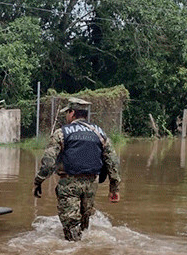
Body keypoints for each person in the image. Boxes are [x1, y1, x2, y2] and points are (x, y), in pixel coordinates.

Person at [33, 97, 121, 241]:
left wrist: (38, 182)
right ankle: (86, 251)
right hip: (91, 184)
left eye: (67, 112)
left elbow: (48, 163)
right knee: (85, 224)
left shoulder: (61, 133)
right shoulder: (100, 133)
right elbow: (113, 163)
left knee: (71, 228)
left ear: (72, 113)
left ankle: (75, 251)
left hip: (69, 184)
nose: (66, 116)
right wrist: (114, 188)